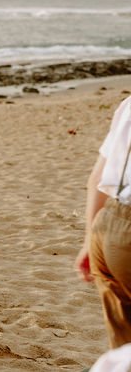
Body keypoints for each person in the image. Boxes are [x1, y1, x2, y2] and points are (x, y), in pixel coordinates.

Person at [76, 95, 131, 348]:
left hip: (107, 226)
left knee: (123, 351)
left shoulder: (128, 104)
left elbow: (96, 179)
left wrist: (89, 241)